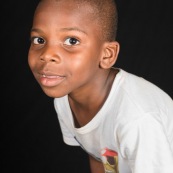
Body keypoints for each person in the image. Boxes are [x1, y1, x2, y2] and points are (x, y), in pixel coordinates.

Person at [28, 0, 173, 172]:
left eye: (72, 41)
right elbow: (99, 156)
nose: (47, 55)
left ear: (106, 55)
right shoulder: (64, 98)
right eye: (39, 40)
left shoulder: (137, 119)